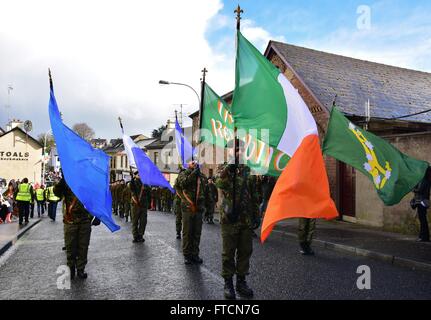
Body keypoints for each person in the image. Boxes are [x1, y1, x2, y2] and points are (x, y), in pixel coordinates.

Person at [215, 139, 260, 300]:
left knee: (245, 251)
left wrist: (256, 215)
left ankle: (241, 281)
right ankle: (228, 283)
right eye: (235, 150)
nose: (239, 152)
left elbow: (254, 193)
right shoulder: (223, 168)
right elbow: (219, 182)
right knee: (228, 253)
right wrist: (230, 167)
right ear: (229, 151)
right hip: (229, 219)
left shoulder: (248, 169)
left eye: (241, 149)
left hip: (246, 219)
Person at [54, 177, 100, 279]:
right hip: (71, 220)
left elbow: (95, 200)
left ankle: (80, 269)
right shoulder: (67, 182)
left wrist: (97, 215)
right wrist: (61, 182)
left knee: (83, 246)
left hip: (85, 220)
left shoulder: (88, 183)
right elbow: (57, 193)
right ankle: (71, 268)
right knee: (70, 246)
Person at [177, 160, 208, 265]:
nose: (194, 163)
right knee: (187, 232)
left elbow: (205, 190)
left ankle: (195, 254)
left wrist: (205, 205)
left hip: (199, 207)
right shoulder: (183, 174)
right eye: (192, 162)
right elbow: (183, 183)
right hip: (188, 207)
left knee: (196, 233)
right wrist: (193, 172)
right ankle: (187, 255)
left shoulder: (202, 176)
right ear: (188, 164)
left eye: (196, 162)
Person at [130, 172, 151, 243]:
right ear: (135, 176)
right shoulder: (133, 182)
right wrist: (132, 178)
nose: (140, 176)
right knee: (135, 221)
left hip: (143, 205)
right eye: (138, 175)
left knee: (143, 221)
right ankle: (135, 236)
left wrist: (149, 204)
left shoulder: (145, 184)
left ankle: (140, 235)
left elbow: (149, 194)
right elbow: (131, 188)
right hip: (135, 205)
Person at [412, 167, 431, 242]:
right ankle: (422, 236)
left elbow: (419, 190)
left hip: (422, 202)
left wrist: (412, 188)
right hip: (423, 201)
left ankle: (424, 237)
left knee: (422, 220)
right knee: (422, 219)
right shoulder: (427, 180)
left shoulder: (425, 181)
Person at [173, 170, 184, 239]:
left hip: (185, 202)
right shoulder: (177, 182)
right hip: (178, 203)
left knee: (185, 219)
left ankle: (185, 233)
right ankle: (178, 232)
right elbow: (175, 189)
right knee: (178, 218)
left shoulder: (186, 181)